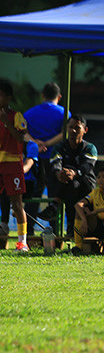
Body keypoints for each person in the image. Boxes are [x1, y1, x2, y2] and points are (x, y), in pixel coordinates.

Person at [24, 83, 69, 229]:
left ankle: (28, 230)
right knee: (54, 195)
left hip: (33, 158)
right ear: (59, 97)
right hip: (54, 159)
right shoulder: (64, 113)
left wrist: (36, 143)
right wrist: (48, 143)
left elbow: (22, 132)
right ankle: (55, 231)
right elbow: (65, 134)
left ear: (42, 95)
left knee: (33, 195)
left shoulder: (29, 113)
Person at [49, 116, 98, 226]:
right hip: (66, 184)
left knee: (74, 183)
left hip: (86, 186)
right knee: (69, 183)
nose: (73, 130)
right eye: (70, 127)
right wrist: (59, 174)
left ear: (85, 130)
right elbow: (55, 163)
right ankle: (64, 226)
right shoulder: (60, 147)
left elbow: (87, 167)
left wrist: (74, 173)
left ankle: (54, 206)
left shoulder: (90, 148)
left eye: (77, 127)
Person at [0, 79, 30, 251]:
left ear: (8, 97)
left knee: (17, 205)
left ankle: (22, 242)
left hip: (12, 166)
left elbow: (21, 139)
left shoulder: (16, 116)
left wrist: (6, 122)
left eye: (1, 95)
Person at [71, 165, 104, 255]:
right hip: (98, 226)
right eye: (98, 177)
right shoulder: (95, 192)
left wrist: (98, 211)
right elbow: (78, 205)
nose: (100, 180)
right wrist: (84, 220)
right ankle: (78, 247)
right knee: (79, 213)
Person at [0, 139, 37, 247]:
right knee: (5, 189)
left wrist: (14, 171)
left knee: (15, 202)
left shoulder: (31, 146)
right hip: (8, 178)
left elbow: (28, 164)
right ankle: (4, 225)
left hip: (27, 182)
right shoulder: (5, 144)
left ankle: (21, 241)